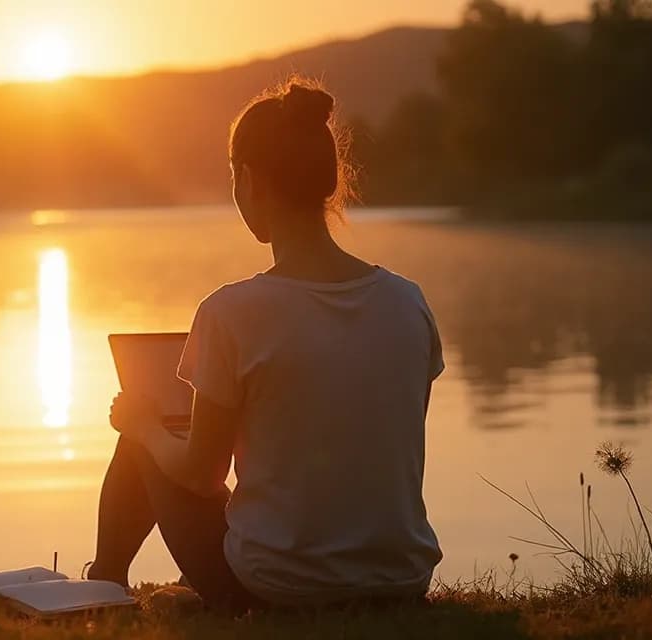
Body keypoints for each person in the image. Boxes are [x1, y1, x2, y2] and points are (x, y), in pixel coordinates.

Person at [88, 78, 444, 611]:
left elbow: (201, 477)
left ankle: (102, 586)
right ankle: (116, 585)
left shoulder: (230, 313)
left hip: (277, 589)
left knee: (145, 436)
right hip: (401, 581)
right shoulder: (408, 303)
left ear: (247, 180)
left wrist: (142, 426)